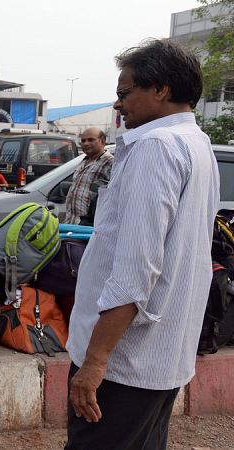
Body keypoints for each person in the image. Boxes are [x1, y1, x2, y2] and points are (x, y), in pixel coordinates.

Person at [65, 39, 219, 450]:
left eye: (124, 93)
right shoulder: (196, 144)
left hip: (123, 363)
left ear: (161, 90)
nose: (118, 105)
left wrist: (96, 360)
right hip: (160, 356)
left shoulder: (156, 147)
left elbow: (136, 270)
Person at [64, 128, 114, 225]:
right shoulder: (84, 161)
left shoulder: (110, 162)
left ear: (103, 141)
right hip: (72, 223)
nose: (86, 143)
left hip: (89, 227)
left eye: (91, 140)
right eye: (83, 141)